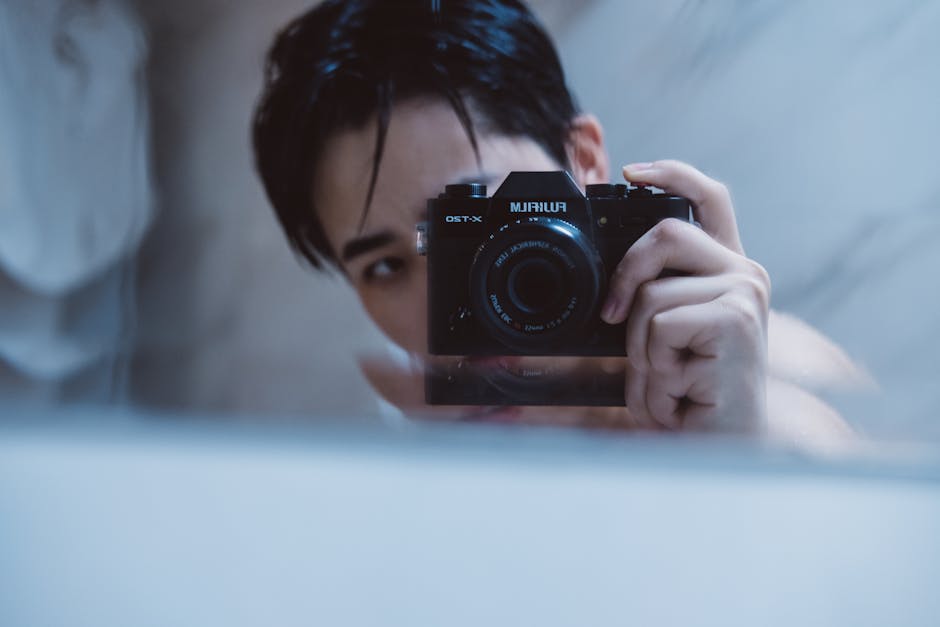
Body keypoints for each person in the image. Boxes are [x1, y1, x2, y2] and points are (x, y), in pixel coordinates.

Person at [252, 0, 865, 448]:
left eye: (475, 224)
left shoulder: (777, 394)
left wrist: (735, 449)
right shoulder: (415, 432)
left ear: (585, 162)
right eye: (384, 266)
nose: (454, 325)